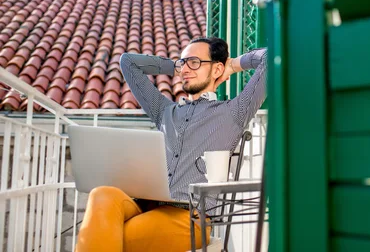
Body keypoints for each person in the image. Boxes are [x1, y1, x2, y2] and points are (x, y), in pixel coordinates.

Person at [75, 37, 267, 252]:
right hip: (143, 206)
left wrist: (232, 65)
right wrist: (175, 67)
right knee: (101, 194)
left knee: (107, 234)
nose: (185, 68)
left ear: (216, 70)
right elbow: (127, 62)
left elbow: (270, 59)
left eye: (194, 62)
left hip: (188, 219)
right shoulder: (164, 111)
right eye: (182, 62)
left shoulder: (233, 112)